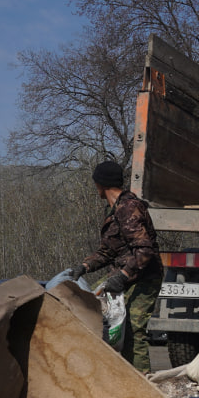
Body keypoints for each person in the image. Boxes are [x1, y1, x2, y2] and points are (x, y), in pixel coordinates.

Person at [68, 160, 163, 373]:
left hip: (145, 276)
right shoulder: (113, 209)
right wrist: (84, 266)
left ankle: (142, 382)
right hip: (124, 273)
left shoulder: (128, 208)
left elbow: (145, 251)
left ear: (101, 184)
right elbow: (107, 251)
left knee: (133, 330)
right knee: (92, 310)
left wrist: (123, 275)